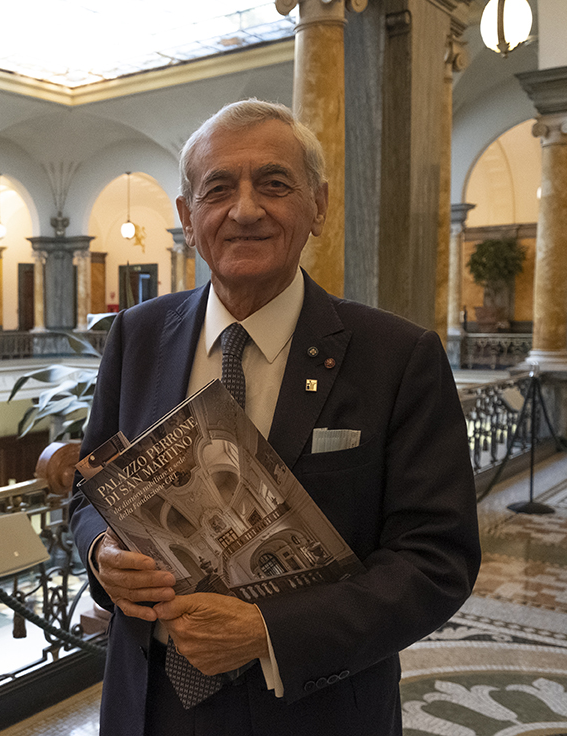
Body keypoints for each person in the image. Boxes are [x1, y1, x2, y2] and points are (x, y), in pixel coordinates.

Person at [70, 99, 481, 736]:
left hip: (316, 709)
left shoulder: (397, 357)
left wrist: (267, 632)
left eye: (274, 183)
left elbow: (435, 561)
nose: (245, 209)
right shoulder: (137, 335)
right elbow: (90, 489)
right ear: (186, 217)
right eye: (218, 189)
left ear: (318, 205)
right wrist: (102, 550)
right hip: (151, 706)